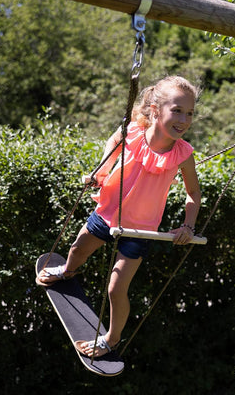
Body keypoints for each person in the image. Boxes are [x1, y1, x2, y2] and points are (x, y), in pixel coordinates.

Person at [36, 76, 201, 357]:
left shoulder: (183, 154)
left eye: (189, 113)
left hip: (141, 230)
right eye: (177, 110)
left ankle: (112, 339)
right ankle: (68, 271)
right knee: (76, 250)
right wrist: (99, 174)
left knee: (116, 288)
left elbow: (193, 194)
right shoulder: (132, 132)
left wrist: (188, 225)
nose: (184, 119)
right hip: (108, 212)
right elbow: (112, 144)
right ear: (154, 109)